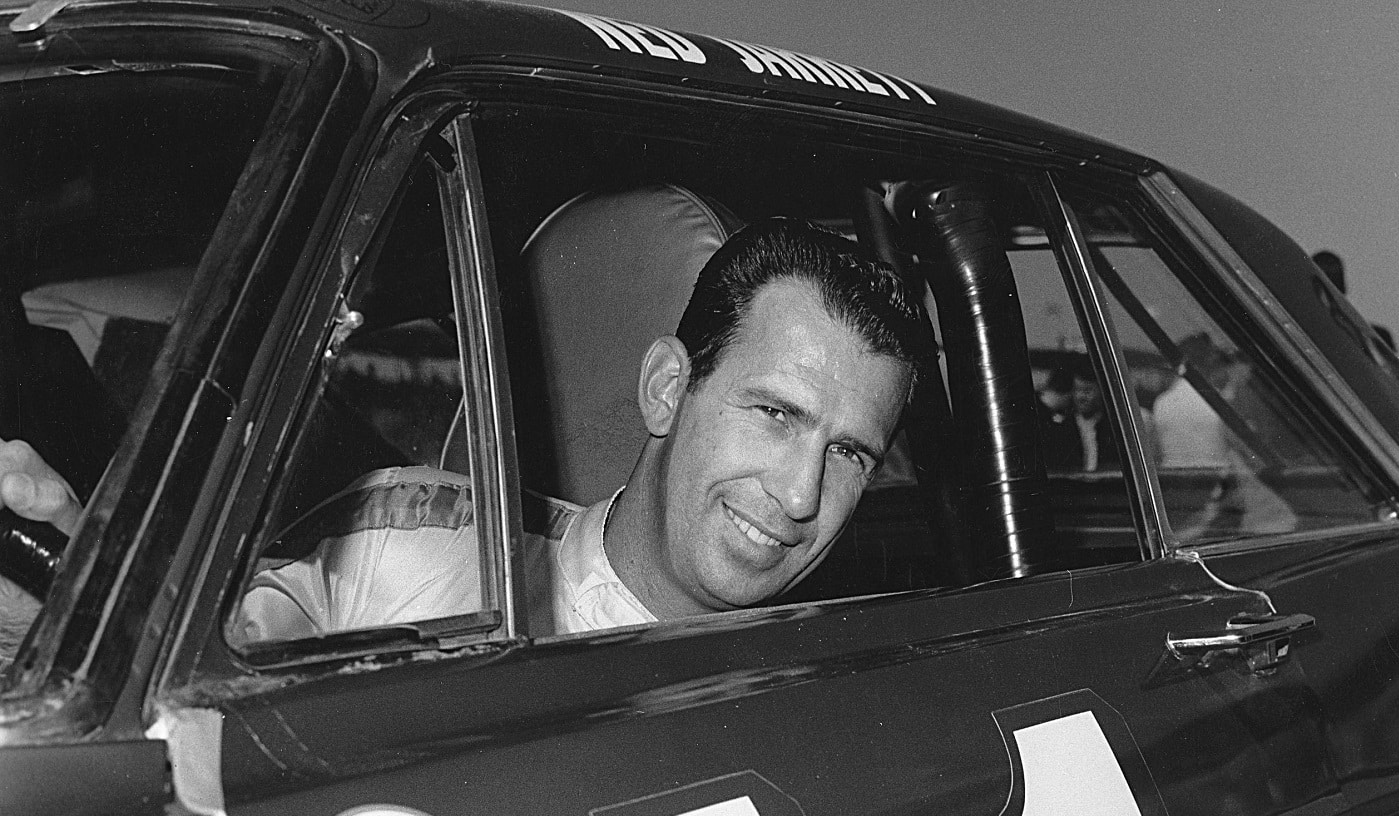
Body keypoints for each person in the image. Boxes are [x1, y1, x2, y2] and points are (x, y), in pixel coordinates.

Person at [0, 217, 935, 649]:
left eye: (849, 452)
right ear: (665, 389)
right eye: (776, 414)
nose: (803, 494)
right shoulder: (415, 542)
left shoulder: (858, 691)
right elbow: (196, 657)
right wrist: (74, 579)